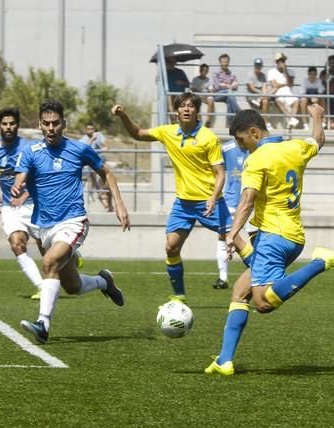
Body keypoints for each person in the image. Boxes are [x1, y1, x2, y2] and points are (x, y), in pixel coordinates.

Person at [204, 105, 334, 376]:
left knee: (263, 303)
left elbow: (247, 200)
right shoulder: (295, 147)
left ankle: (320, 263)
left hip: (273, 237)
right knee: (241, 292)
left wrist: (231, 235)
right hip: (291, 235)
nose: (241, 148)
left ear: (253, 132)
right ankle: (224, 360)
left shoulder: (258, 158)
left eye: (241, 141)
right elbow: (318, 141)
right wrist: (317, 117)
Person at [111, 92, 254, 302]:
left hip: (209, 201)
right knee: (171, 246)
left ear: (197, 111)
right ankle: (179, 296)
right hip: (183, 204)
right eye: (182, 106)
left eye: (191, 106)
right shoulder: (168, 132)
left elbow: (220, 173)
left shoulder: (208, 138)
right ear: (177, 111)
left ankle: (264, 273)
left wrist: (214, 198)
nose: (187, 109)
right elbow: (138, 133)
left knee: (236, 240)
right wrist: (123, 115)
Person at [12, 99, 130, 344]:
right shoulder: (30, 152)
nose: (51, 128)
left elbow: (106, 173)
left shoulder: (78, 149)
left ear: (63, 124)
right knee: (71, 285)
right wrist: (17, 184)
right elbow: (21, 175)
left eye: (56, 123)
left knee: (49, 261)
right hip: (43, 226)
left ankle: (43, 324)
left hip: (73, 221)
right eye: (46, 123)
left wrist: (118, 203)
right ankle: (103, 281)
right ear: (40, 125)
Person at [0, 107, 44, 300]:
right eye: (4, 124)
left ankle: (71, 256)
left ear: (17, 125)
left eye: (12, 123)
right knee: (17, 244)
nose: (8, 127)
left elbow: (39, 175)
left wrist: (25, 194)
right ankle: (41, 286)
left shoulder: (29, 148)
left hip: (34, 203)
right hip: (10, 206)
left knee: (47, 248)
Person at [212, 138, 251, 290]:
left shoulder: (256, 146)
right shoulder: (226, 148)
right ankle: (223, 278)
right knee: (223, 235)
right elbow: (217, 170)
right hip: (230, 201)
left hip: (250, 201)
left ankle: (259, 273)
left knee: (256, 238)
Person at [80, 122, 113, 212]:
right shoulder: (84, 139)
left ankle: (110, 205)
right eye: (89, 129)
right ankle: (106, 206)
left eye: (92, 129)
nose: (91, 131)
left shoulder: (99, 135)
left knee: (106, 184)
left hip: (100, 163)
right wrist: (92, 140)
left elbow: (106, 145)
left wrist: (103, 147)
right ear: (86, 130)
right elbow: (83, 148)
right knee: (97, 186)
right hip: (90, 166)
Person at [267, 52, 299, 129]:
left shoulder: (290, 71)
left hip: (288, 92)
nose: (282, 63)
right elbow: (275, 85)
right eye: (280, 61)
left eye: (283, 61)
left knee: (296, 101)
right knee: (279, 101)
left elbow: (290, 84)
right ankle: (291, 119)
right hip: (278, 92)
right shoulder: (271, 72)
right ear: (276, 62)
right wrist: (285, 84)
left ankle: (290, 120)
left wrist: (286, 71)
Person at [212, 53, 242, 126]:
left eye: (227, 62)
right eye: (223, 62)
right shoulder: (216, 73)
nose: (225, 63)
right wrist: (230, 86)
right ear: (220, 62)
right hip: (218, 95)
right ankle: (239, 112)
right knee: (229, 93)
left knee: (229, 99)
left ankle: (229, 123)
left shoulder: (231, 73)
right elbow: (217, 86)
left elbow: (236, 86)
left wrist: (226, 85)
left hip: (228, 95)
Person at [245, 58, 272, 130]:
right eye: (257, 65)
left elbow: (264, 86)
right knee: (265, 100)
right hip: (252, 97)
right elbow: (251, 88)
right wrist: (262, 93)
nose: (258, 67)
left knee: (265, 101)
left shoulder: (263, 76)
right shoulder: (250, 74)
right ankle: (266, 123)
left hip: (260, 97)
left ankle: (266, 123)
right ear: (254, 66)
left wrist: (265, 93)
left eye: (259, 65)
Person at [299, 66, 326, 131]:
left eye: (314, 74)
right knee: (303, 101)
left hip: (316, 98)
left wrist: (316, 98)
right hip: (307, 98)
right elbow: (303, 93)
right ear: (308, 74)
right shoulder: (304, 81)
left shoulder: (318, 81)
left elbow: (320, 93)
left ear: (316, 75)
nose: (312, 76)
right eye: (311, 74)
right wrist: (311, 98)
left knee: (322, 100)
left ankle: (323, 120)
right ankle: (305, 123)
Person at [164, 56, 190, 121]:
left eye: (173, 62)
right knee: (169, 98)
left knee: (177, 100)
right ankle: (174, 120)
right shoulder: (164, 73)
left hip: (179, 94)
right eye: (169, 62)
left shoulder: (180, 72)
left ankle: (175, 120)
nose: (171, 63)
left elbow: (188, 84)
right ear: (166, 63)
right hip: (169, 95)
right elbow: (158, 82)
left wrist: (182, 83)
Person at [190, 63, 215, 127]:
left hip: (206, 96)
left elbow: (211, 90)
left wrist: (205, 96)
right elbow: (193, 90)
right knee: (196, 101)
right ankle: (198, 121)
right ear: (200, 70)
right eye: (203, 70)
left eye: (206, 70)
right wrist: (201, 96)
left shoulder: (209, 80)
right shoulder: (195, 79)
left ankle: (208, 121)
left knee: (211, 100)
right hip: (197, 95)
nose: (204, 71)